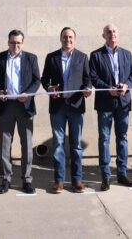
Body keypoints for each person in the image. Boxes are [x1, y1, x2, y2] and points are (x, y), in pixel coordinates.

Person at [0, 29, 41, 195]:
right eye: (13, 42)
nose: (15, 45)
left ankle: (27, 180)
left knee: (27, 144)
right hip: (6, 106)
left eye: (18, 42)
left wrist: (28, 94)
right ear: (8, 42)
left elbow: (36, 80)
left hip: (25, 106)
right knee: (5, 144)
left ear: (22, 43)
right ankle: (6, 179)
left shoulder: (31, 58)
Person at [41, 27, 92, 193]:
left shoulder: (82, 57)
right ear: (60, 39)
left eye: (70, 37)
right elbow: (44, 79)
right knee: (58, 144)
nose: (67, 40)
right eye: (65, 37)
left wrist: (88, 89)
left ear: (74, 39)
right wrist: (49, 88)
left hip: (76, 106)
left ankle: (77, 180)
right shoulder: (51, 57)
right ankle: (59, 181)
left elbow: (87, 79)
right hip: (57, 106)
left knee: (76, 145)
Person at [90, 23, 132, 190]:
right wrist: (107, 89)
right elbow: (93, 78)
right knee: (104, 139)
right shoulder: (96, 55)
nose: (112, 34)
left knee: (122, 138)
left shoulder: (127, 54)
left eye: (114, 31)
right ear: (103, 35)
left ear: (118, 34)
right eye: (109, 32)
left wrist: (127, 86)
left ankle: (122, 174)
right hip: (105, 102)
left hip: (123, 102)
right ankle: (106, 176)